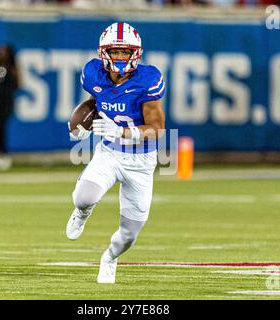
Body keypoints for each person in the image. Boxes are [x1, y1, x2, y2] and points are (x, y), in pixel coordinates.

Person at [66, 22, 166, 284]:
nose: (121, 57)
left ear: (136, 53)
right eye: (116, 52)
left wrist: (122, 131)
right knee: (83, 198)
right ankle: (82, 213)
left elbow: (157, 128)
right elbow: (95, 101)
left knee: (129, 234)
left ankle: (109, 258)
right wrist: (83, 123)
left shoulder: (148, 80)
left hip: (141, 161)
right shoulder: (93, 73)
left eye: (125, 52)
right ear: (104, 53)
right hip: (109, 153)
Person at [0, 44, 19, 171]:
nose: (1, 53)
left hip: (8, 100)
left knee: (3, 125)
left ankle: (1, 150)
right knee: (0, 125)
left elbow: (18, 83)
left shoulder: (12, 68)